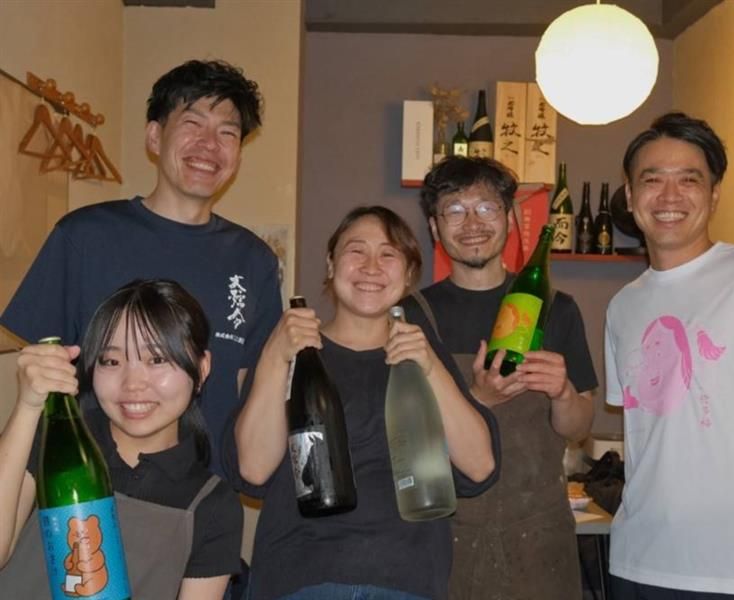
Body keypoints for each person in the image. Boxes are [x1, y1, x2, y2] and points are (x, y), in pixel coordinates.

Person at [0, 59, 283, 473]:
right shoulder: (84, 236)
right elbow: (40, 372)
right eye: (192, 124)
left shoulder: (254, 260)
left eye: (228, 133)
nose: (209, 144)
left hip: (203, 494)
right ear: (154, 136)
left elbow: (249, 392)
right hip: (89, 485)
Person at [227, 205, 500, 600]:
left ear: (409, 274)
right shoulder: (289, 348)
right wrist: (274, 356)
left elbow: (480, 466)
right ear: (331, 263)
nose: (371, 267)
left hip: (406, 578)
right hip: (300, 577)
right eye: (356, 251)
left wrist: (429, 364)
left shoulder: (425, 356)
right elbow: (253, 470)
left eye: (389, 254)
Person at [604, 112, 734, 599]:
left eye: (689, 180)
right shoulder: (623, 305)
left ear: (714, 195)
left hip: (731, 571)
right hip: (633, 560)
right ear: (630, 195)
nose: (669, 196)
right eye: (652, 180)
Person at [401, 156, 597, 600]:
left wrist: (563, 393)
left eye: (486, 208)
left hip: (540, 543)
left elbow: (579, 428)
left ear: (510, 219)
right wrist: (477, 399)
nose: (472, 223)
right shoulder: (411, 316)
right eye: (454, 210)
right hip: (444, 542)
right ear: (434, 228)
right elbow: (403, 440)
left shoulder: (557, 308)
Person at [0, 279, 244, 599]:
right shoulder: (54, 439)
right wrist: (28, 406)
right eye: (112, 361)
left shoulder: (213, 504)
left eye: (157, 359)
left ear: (201, 368)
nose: (133, 384)